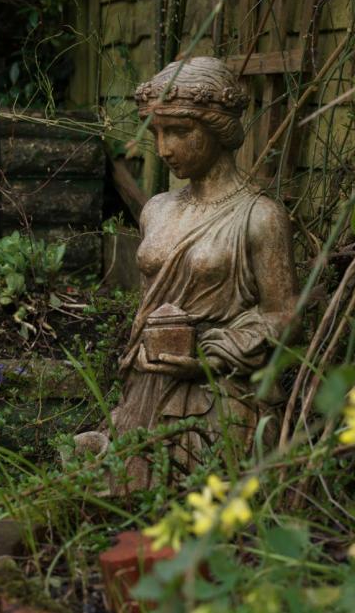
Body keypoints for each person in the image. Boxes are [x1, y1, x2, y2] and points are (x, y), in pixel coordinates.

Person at [99, 56, 298, 485]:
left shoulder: (259, 216)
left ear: (218, 129)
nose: (165, 148)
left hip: (219, 398)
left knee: (203, 512)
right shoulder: (157, 209)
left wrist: (208, 355)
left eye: (179, 131)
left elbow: (284, 315)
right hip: (145, 387)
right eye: (156, 133)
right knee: (122, 500)